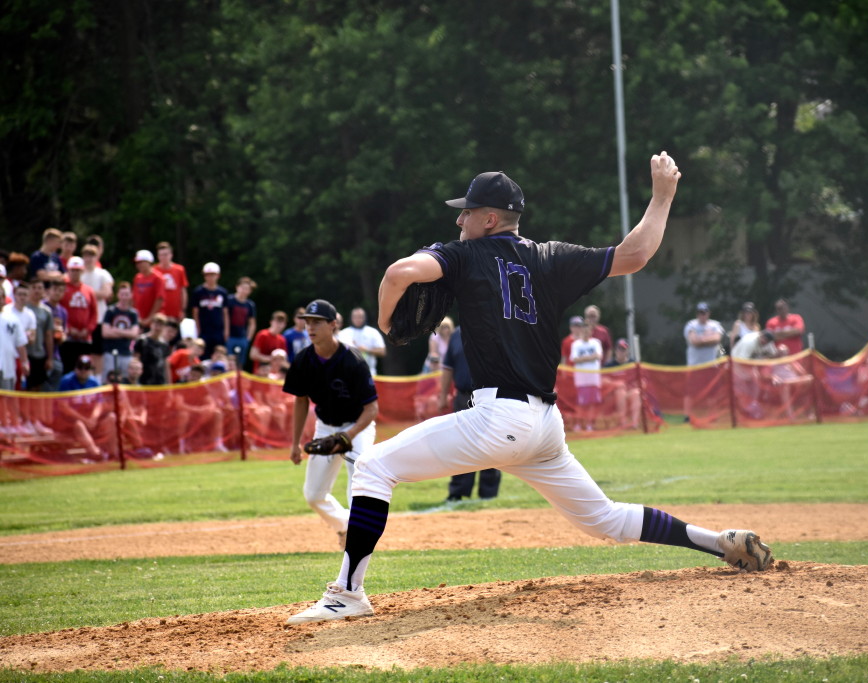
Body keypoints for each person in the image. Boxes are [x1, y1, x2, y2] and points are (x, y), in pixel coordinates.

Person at [286, 153, 773, 625]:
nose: (460, 224)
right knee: (603, 518)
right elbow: (636, 254)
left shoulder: (464, 254)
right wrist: (663, 195)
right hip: (544, 426)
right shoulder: (551, 258)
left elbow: (398, 273)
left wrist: (388, 320)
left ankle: (347, 594)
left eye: (467, 214)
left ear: (490, 218)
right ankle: (719, 542)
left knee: (371, 466)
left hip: (499, 419)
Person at [282, 299, 379, 550]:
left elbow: (372, 409)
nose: (310, 327)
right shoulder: (303, 360)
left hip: (357, 426)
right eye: (307, 322)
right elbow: (301, 401)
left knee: (359, 477)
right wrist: (294, 444)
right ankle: (346, 526)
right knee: (313, 495)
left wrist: (348, 435)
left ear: (333, 325)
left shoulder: (353, 360)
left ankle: (359, 538)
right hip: (326, 428)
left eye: (317, 322)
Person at [440, 326, 501, 502]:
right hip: (463, 395)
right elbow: (448, 367)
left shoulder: (497, 328)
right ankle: (457, 491)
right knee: (460, 444)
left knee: (490, 444)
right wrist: (443, 395)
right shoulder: (457, 335)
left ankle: (488, 493)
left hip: (491, 396)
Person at [57, 355, 115, 462]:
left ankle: (113, 454)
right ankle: (96, 454)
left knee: (112, 417)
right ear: (75, 368)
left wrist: (93, 418)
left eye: (87, 368)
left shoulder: (94, 382)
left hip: (91, 420)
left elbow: (99, 404)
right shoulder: (66, 381)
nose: (83, 371)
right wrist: (85, 420)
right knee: (79, 424)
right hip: (71, 422)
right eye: (80, 367)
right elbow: (64, 407)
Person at [60, 257, 98, 374]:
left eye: (78, 270)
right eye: (73, 270)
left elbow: (94, 313)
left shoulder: (88, 290)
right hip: (68, 338)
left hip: (84, 338)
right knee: (68, 368)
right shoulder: (62, 288)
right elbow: (59, 312)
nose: (75, 273)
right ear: (68, 271)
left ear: (82, 271)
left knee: (84, 368)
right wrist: (70, 329)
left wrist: (88, 330)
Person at [101, 282, 140, 382]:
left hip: (126, 352)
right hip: (111, 352)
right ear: (118, 295)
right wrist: (126, 332)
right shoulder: (111, 311)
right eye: (122, 294)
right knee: (109, 379)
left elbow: (134, 334)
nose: (124, 297)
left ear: (130, 295)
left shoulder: (133, 313)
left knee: (126, 380)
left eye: (126, 294)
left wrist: (115, 330)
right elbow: (105, 333)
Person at [569, 321, 604, 431]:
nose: (585, 332)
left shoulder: (596, 343)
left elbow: (598, 356)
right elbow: (574, 359)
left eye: (587, 330)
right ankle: (579, 424)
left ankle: (589, 424)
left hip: (593, 379)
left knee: (592, 403)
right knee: (581, 403)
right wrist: (590, 357)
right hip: (581, 380)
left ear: (590, 331)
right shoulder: (576, 344)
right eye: (583, 330)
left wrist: (583, 358)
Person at [191, 262, 229, 359]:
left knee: (219, 354)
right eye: (208, 275)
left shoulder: (222, 292)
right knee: (203, 354)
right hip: (204, 330)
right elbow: (195, 312)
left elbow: (225, 313)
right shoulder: (198, 292)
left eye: (213, 275)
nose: (210, 277)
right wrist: (197, 329)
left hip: (218, 330)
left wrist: (226, 330)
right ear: (204, 276)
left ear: (218, 276)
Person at [2, 281, 37, 389]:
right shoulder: (8, 311)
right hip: (7, 357)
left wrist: (24, 362)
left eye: (25, 294)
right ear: (15, 295)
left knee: (12, 391)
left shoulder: (26, 315)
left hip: (13, 360)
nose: (22, 297)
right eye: (19, 294)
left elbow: (26, 340)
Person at [25, 279, 55, 392]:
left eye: (40, 288)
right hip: (24, 353)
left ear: (44, 291)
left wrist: (50, 358)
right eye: (34, 287)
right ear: (29, 290)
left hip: (39, 354)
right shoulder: (23, 308)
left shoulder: (46, 311)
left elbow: (48, 335)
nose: (37, 291)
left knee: (37, 387)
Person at [339, 307, 387, 376]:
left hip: (369, 373)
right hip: (348, 373)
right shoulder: (344, 333)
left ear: (365, 318)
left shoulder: (372, 332)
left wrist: (366, 350)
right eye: (355, 317)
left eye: (360, 317)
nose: (358, 319)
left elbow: (382, 352)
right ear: (351, 318)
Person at [153, 241, 189, 324]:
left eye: (166, 254)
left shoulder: (179, 270)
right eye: (161, 255)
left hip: (175, 314)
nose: (164, 257)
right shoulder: (154, 270)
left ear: (171, 255)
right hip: (159, 314)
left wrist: (183, 310)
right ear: (158, 256)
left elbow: (183, 291)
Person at [226, 276, 257, 368]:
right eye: (242, 288)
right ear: (237, 287)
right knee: (228, 361)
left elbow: (252, 323)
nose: (244, 290)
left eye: (247, 289)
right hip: (229, 336)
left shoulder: (250, 305)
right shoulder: (229, 300)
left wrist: (248, 338)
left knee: (240, 363)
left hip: (242, 337)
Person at [79, 245, 113, 328]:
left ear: (96, 257)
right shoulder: (78, 274)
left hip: (100, 316)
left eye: (91, 256)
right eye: (86, 256)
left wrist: (84, 294)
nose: (88, 259)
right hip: (81, 317)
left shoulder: (103, 274)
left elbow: (106, 293)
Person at [134, 314, 173, 385]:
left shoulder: (164, 345)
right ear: (151, 325)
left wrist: (169, 384)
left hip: (159, 381)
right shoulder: (142, 341)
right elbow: (136, 360)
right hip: (144, 380)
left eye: (160, 325)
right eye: (156, 324)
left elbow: (166, 365)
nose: (157, 328)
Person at [131, 250, 166, 331]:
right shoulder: (137, 278)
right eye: (137, 263)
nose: (138, 265)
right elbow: (134, 299)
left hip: (154, 322)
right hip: (139, 321)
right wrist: (136, 317)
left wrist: (150, 319)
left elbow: (159, 299)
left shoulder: (158, 278)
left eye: (141, 262)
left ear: (148, 262)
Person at [684, 301, 725, 366]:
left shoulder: (715, 325)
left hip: (711, 366)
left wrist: (700, 339)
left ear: (709, 313)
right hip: (694, 366)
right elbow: (694, 342)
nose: (703, 315)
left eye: (705, 312)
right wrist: (708, 336)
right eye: (700, 312)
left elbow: (717, 339)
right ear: (697, 314)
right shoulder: (691, 325)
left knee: (721, 351)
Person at [250, 311, 288, 375]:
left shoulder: (282, 340)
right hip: (260, 374)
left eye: (281, 322)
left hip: (275, 377)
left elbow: (283, 360)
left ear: (284, 325)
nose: (279, 325)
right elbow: (253, 355)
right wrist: (271, 359)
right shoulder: (262, 335)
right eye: (277, 321)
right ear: (271, 322)